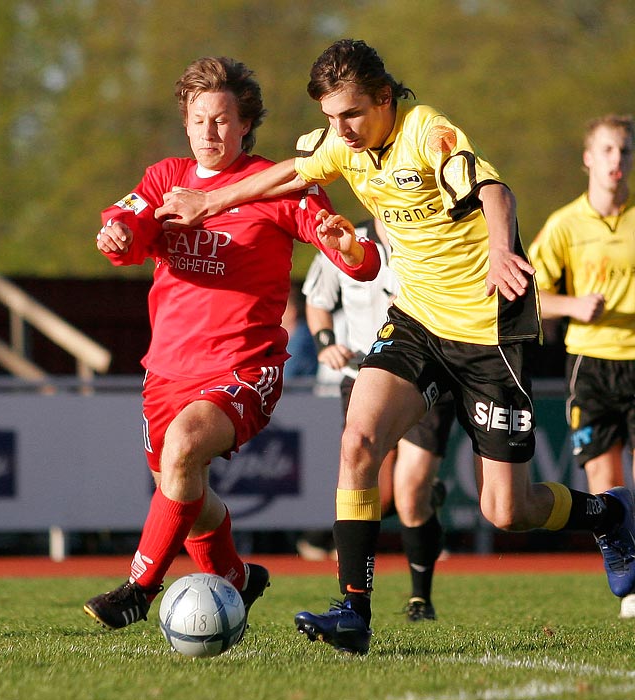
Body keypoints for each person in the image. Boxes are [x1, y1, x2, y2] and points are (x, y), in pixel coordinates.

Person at [154, 40, 635, 655]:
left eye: (351, 114)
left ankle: (611, 516)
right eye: (329, 117)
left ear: (384, 98)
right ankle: (353, 610)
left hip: (489, 329)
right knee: (358, 438)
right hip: (418, 320)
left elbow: (495, 192)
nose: (340, 130)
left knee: (507, 511)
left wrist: (499, 248)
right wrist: (211, 199)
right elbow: (291, 173)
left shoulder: (427, 131)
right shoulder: (341, 142)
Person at [83, 55, 380, 634]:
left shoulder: (274, 184)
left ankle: (139, 588)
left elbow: (354, 256)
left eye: (221, 120)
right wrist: (116, 235)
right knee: (182, 485)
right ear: (186, 122)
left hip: (243, 367)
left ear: (245, 124)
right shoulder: (165, 179)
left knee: (186, 447)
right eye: (198, 119)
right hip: (166, 371)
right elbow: (128, 231)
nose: (209, 132)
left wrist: (351, 251)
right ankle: (239, 582)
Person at [300, 217, 454, 621]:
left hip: (425, 373)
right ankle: (352, 604)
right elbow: (317, 299)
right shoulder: (344, 238)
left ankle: (421, 597)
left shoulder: (427, 238)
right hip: (361, 378)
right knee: (381, 495)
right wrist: (325, 343)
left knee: (410, 493)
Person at [528, 114, 635, 618]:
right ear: (589, 158)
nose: (618, 160)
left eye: (626, 151)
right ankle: (628, 576)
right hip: (591, 365)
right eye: (609, 150)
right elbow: (524, 295)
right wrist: (571, 306)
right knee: (606, 481)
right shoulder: (565, 224)